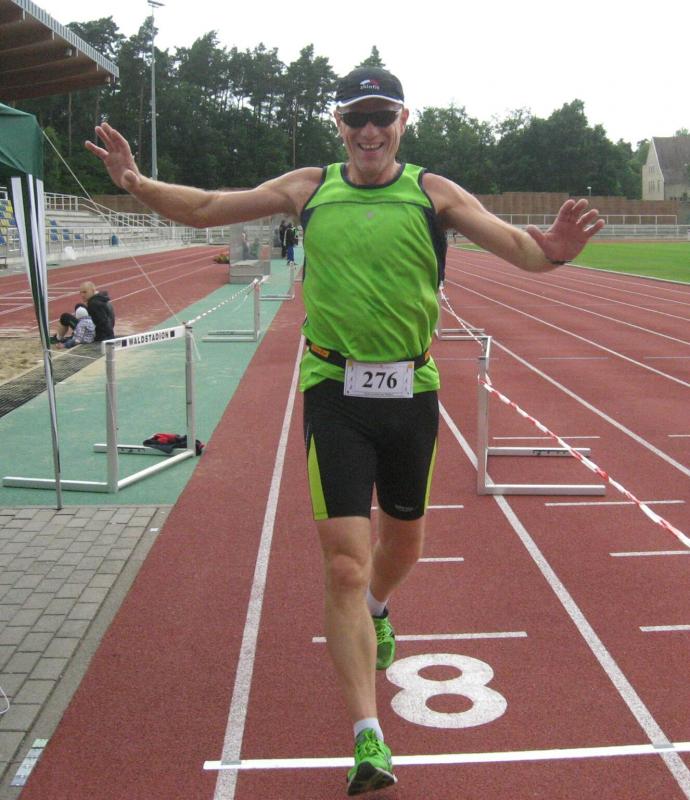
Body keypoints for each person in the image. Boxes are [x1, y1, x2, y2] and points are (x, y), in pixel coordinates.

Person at [85, 65, 604, 796]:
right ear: (338, 125)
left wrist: (555, 249)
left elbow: (517, 247)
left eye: (381, 116)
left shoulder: (433, 194)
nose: (368, 130)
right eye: (356, 117)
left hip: (411, 390)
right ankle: (368, 736)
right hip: (334, 391)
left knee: (404, 543)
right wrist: (136, 183)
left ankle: (379, 610)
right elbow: (205, 207)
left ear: (402, 122)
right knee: (344, 566)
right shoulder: (308, 188)